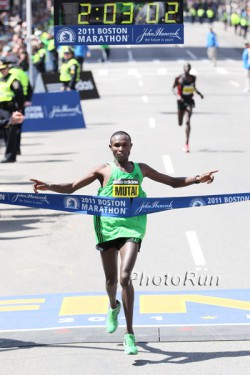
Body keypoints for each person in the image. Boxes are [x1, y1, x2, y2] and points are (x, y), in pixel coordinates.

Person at [30, 131, 218, 355]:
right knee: (111, 281)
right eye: (117, 145)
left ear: (131, 146)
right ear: (110, 147)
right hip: (107, 227)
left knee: (125, 277)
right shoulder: (103, 170)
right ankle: (112, 306)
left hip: (133, 225)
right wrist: (48, 186)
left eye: (125, 145)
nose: (121, 149)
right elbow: (72, 187)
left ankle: (129, 334)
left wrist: (198, 178)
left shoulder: (142, 169)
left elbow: (172, 183)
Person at [172, 63, 204, 153]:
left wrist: (199, 94)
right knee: (180, 123)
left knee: (188, 121)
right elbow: (173, 88)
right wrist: (178, 95)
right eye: (186, 67)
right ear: (183, 68)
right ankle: (181, 118)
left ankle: (186, 143)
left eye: (189, 67)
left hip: (189, 100)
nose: (187, 69)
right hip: (181, 101)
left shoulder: (193, 78)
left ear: (190, 69)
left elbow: (193, 87)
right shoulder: (178, 78)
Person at [0, 59, 25, 163]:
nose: (1, 71)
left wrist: (19, 108)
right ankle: (9, 153)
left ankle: (10, 155)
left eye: (3, 69)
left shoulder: (13, 79)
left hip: (10, 107)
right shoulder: (2, 79)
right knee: (4, 131)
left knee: (11, 131)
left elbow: (19, 95)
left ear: (8, 68)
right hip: (1, 107)